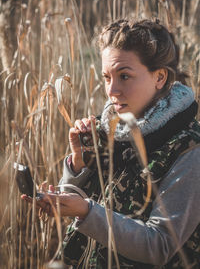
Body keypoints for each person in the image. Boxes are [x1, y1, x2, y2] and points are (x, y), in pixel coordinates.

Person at [22, 18, 200, 268]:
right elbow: (87, 203)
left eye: (124, 76)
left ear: (159, 77)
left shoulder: (189, 149)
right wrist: (77, 166)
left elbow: (160, 246)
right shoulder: (108, 127)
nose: (112, 90)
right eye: (107, 77)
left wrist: (86, 211)